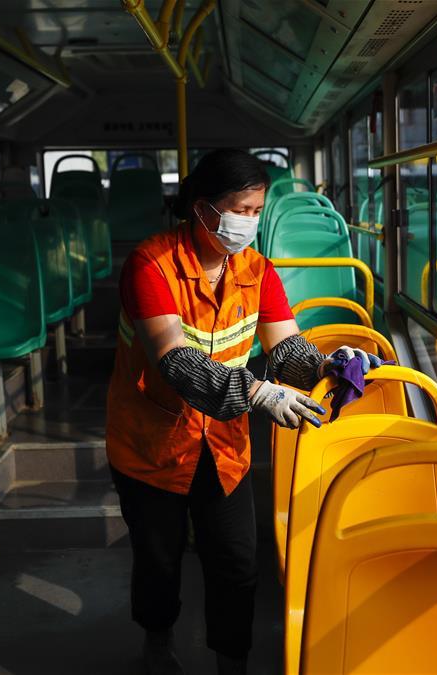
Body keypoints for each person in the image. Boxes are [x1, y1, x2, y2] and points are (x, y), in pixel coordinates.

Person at [105, 149, 381, 675]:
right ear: (202, 208)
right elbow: (174, 360)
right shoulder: (151, 265)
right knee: (159, 563)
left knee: (236, 563)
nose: (248, 223)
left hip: (223, 446)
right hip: (152, 445)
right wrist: (258, 393)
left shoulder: (258, 271)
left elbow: (286, 349)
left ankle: (232, 665)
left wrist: (326, 365)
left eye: (257, 211)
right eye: (240, 210)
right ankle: (158, 646)